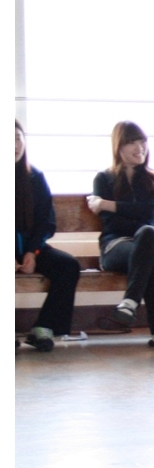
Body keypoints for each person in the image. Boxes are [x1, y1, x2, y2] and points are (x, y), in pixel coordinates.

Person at [89, 121, 154, 348]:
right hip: (116, 247)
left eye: (142, 141)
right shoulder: (103, 179)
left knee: (152, 242)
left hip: (149, 244)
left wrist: (106, 204)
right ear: (118, 147)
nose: (139, 148)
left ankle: (129, 303)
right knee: (153, 243)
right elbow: (113, 223)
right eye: (131, 142)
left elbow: (150, 210)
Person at [15, 121, 79, 352]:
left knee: (68, 266)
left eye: (17, 138)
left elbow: (46, 221)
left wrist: (33, 252)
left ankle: (44, 327)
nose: (14, 145)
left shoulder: (34, 177)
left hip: (30, 246)